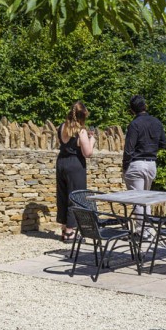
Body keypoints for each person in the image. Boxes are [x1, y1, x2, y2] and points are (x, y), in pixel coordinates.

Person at [122, 94, 166, 238]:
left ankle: (143, 233)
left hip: (136, 164)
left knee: (137, 200)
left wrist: (124, 167)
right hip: (151, 164)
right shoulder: (157, 122)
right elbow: (163, 144)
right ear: (145, 106)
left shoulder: (134, 125)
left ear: (131, 110)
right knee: (145, 199)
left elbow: (128, 149)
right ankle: (146, 230)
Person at [55, 101, 95, 242]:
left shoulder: (61, 127)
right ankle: (71, 233)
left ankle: (64, 228)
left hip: (61, 162)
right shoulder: (81, 131)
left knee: (63, 196)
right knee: (75, 196)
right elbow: (87, 153)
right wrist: (92, 140)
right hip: (75, 164)